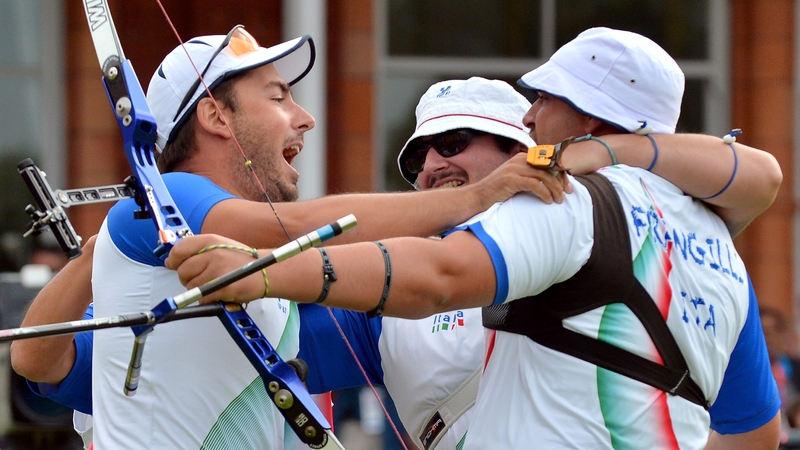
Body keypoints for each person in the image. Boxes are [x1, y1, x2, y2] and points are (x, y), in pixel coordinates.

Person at [11, 71, 781, 450]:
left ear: (530, 155)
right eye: (418, 159)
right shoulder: (380, 313)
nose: (433, 169)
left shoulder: (657, 246)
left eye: (457, 146)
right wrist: (120, 234)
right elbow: (50, 370)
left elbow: (752, 433)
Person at [31, 26, 562, 450]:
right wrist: (93, 258)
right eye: (279, 96)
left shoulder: (281, 296)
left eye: (453, 144)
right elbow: (39, 362)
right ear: (217, 116)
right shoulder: (166, 198)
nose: (305, 118)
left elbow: (382, 282)